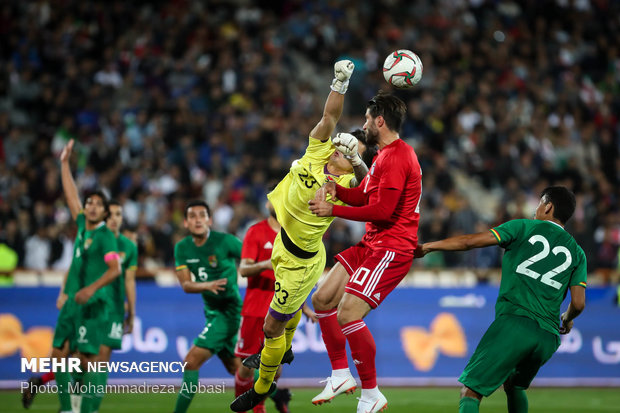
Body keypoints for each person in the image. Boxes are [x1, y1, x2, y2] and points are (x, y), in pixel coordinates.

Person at [231, 59, 370, 412]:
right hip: (284, 244)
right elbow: (329, 118)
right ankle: (284, 348)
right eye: (346, 145)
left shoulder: (347, 183)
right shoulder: (320, 148)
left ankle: (262, 386)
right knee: (285, 319)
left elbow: (370, 186)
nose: (344, 148)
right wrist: (339, 83)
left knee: (270, 328)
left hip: (301, 262)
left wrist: (357, 161)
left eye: (353, 150)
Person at [415, 186, 586, 413]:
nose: (535, 208)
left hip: (516, 322)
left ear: (548, 206)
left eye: (539, 203)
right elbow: (578, 302)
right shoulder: (577, 252)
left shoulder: (522, 226)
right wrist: (567, 318)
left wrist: (428, 246)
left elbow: (470, 242)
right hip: (548, 336)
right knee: (515, 386)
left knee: (470, 391)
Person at [308, 92, 421, 413]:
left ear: (379, 121)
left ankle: (371, 394)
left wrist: (332, 209)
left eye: (368, 120)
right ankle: (341, 374)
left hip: (391, 247)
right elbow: (363, 196)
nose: (364, 125)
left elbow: (383, 211)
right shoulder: (385, 156)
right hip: (373, 242)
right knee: (322, 299)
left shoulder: (399, 156)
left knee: (347, 314)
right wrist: (338, 190)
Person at [27, 139, 121, 413]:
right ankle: (69, 407)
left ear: (104, 213)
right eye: (88, 202)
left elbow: (115, 270)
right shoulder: (82, 226)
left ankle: (84, 407)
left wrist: (91, 289)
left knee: (87, 360)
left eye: (96, 204)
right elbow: (70, 196)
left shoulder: (106, 238)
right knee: (58, 357)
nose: (90, 206)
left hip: (91, 306)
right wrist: (64, 163)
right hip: (72, 303)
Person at [22, 200, 137, 413]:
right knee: (84, 359)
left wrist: (131, 310)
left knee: (95, 361)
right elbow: (74, 268)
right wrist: (64, 292)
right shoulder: (93, 238)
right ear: (104, 218)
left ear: (122, 219)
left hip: (112, 309)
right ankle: (74, 405)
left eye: (118, 215)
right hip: (87, 305)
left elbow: (129, 280)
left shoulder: (128, 247)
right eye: (110, 214)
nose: (114, 218)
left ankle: (68, 400)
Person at [234, 199, 317, 413]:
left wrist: (305, 307)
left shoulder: (295, 233)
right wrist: (269, 262)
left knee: (276, 368)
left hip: (283, 310)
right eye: (271, 198)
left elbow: (299, 277)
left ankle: (261, 406)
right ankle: (253, 406)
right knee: (245, 367)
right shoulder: (255, 232)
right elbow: (243, 270)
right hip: (255, 309)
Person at [173, 200, 243, 413]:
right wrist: (208, 285)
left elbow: (252, 260)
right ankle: (275, 390)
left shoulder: (226, 242)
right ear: (185, 222)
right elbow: (185, 285)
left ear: (210, 220)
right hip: (211, 312)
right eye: (192, 216)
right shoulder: (182, 248)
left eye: (202, 215)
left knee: (190, 362)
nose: (198, 220)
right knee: (236, 369)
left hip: (228, 312)